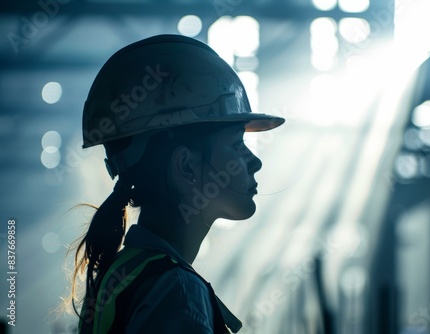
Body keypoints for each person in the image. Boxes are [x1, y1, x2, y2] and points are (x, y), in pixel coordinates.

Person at [67, 34, 284, 333]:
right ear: (185, 166)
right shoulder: (176, 291)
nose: (254, 161)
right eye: (236, 145)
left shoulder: (125, 275)